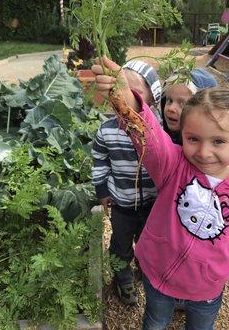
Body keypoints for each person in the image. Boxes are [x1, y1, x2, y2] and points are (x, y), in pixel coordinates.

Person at [92, 56, 229, 330]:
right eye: (193, 139)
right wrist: (127, 99)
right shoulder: (172, 165)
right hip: (158, 276)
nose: (204, 152)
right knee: (156, 321)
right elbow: (148, 135)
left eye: (218, 141)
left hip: (206, 289)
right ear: (182, 133)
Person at [91, 60, 162, 306]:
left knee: (149, 242)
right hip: (121, 204)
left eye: (134, 93)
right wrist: (102, 189)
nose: (124, 97)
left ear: (151, 100)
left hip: (153, 204)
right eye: (119, 91)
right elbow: (100, 161)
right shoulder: (107, 130)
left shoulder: (157, 130)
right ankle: (124, 279)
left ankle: (146, 269)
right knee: (120, 245)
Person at [162, 68, 217, 145]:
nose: (171, 108)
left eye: (182, 104)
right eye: (169, 100)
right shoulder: (160, 138)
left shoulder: (203, 152)